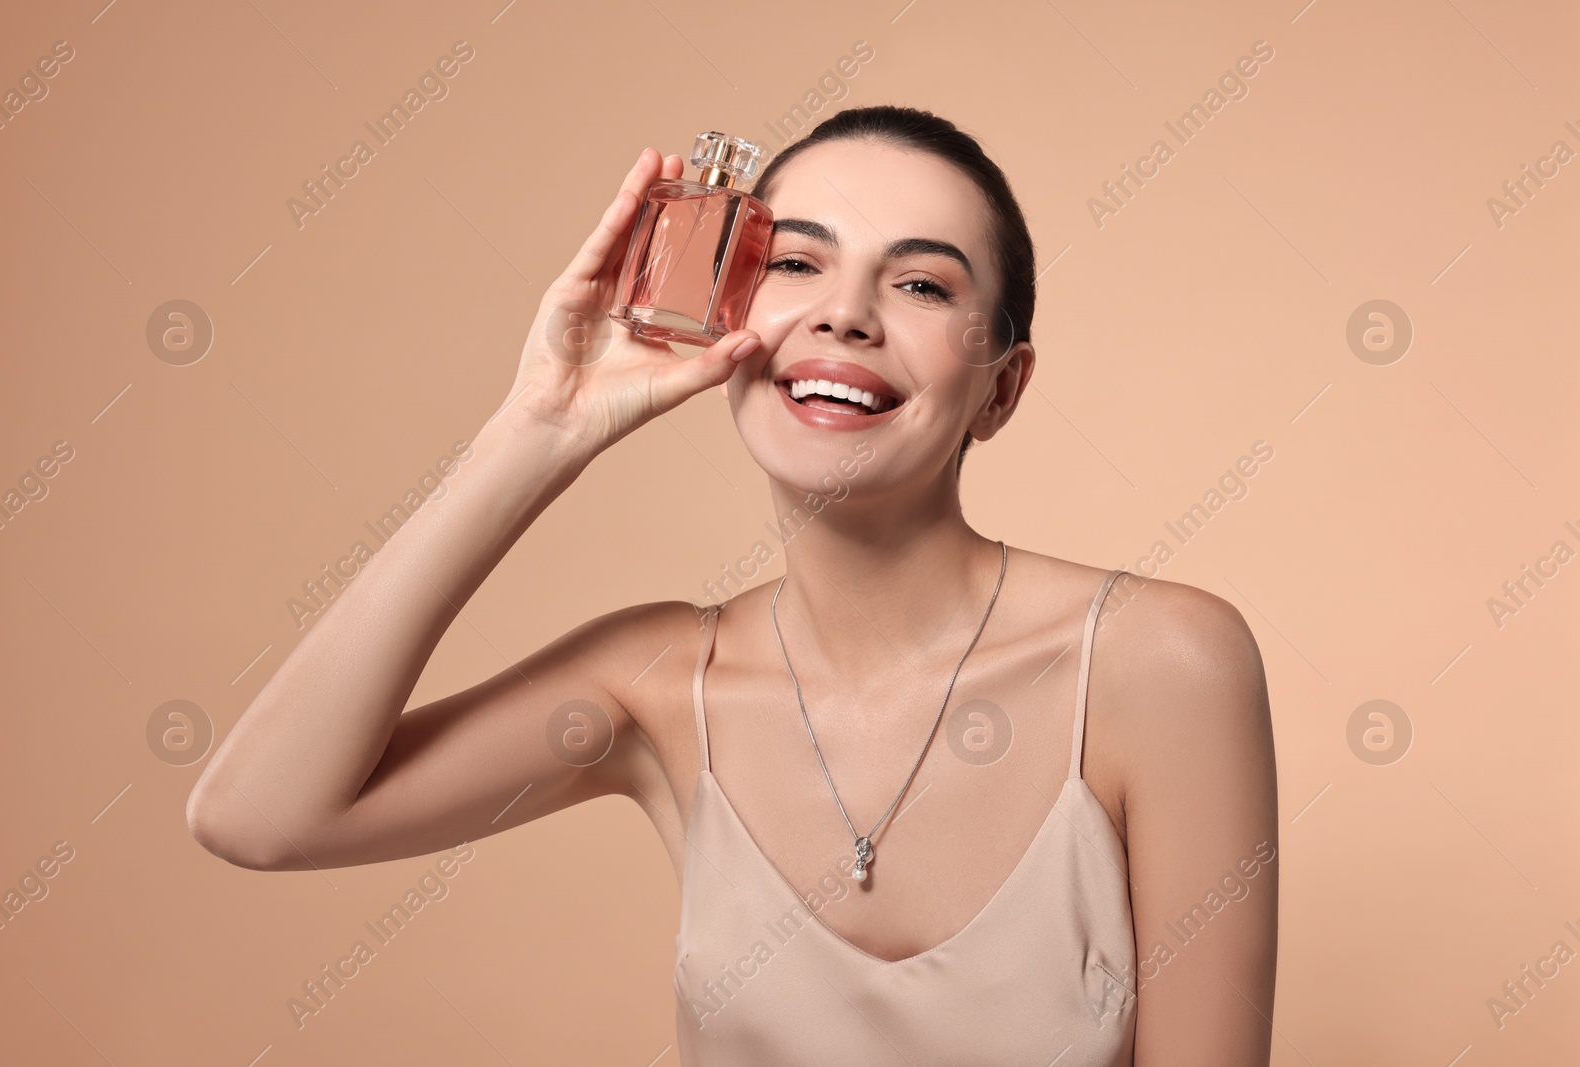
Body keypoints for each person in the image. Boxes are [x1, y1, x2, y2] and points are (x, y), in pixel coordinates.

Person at [188, 105, 1278, 1065]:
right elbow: (260, 814)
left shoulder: (1155, 661)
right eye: (796, 264)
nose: (844, 314)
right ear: (724, 316)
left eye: (919, 283)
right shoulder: (655, 683)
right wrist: (536, 432)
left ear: (1003, 385)